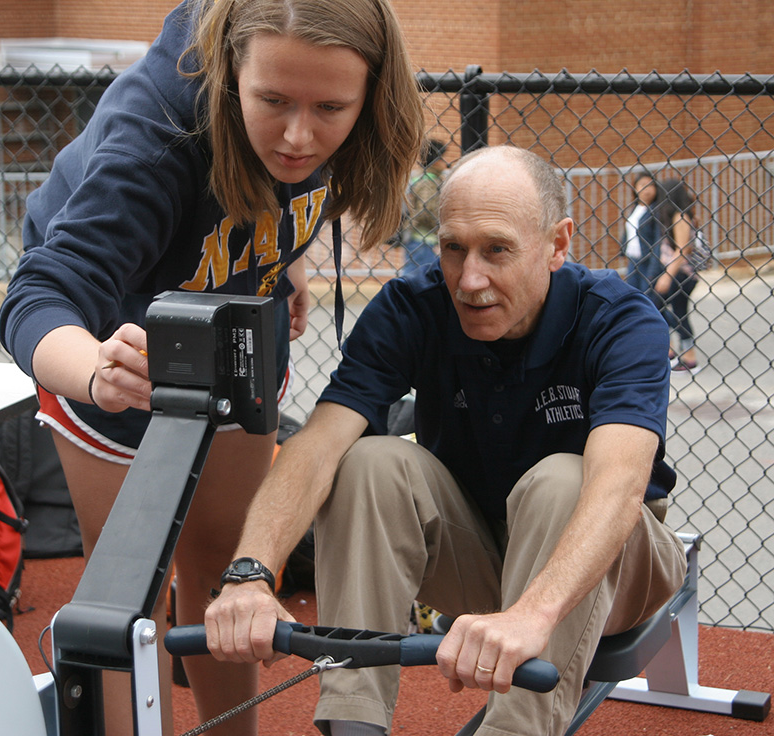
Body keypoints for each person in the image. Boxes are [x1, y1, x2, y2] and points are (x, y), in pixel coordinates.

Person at [0, 0, 423, 734]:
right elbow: (39, 293)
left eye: (329, 107)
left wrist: (279, 258)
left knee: (225, 559)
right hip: (114, 344)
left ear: (373, 90)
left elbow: (291, 179)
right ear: (230, 71)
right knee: (126, 590)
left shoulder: (362, 120)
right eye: (272, 102)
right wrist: (95, 371)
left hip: (236, 330)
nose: (299, 136)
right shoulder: (158, 135)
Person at [205, 145, 688, 736]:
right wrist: (250, 574)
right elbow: (317, 445)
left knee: (564, 477)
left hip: (609, 568)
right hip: (482, 557)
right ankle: (352, 722)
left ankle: (515, 729)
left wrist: (531, 616)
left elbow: (619, 486)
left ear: (557, 245)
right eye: (453, 248)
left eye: (498, 250)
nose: (470, 279)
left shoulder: (621, 320)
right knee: (368, 461)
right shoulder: (414, 307)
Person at [655, 178, 703, 373]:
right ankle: (673, 352)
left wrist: (667, 275)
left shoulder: (680, 216)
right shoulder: (678, 215)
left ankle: (689, 359)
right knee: (666, 309)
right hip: (679, 273)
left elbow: (683, 250)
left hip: (681, 274)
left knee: (678, 312)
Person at [400, 138, 447, 274]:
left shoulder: (417, 177)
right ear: (437, 160)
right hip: (424, 238)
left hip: (418, 238)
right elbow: (424, 212)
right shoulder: (429, 181)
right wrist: (440, 229)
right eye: (442, 158)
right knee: (419, 277)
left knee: (414, 275)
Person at [621, 170, 665, 299]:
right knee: (633, 297)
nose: (647, 189)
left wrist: (654, 269)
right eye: (643, 184)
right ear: (635, 188)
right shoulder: (635, 208)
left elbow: (658, 239)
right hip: (633, 261)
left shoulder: (656, 211)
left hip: (648, 261)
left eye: (651, 185)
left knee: (648, 300)